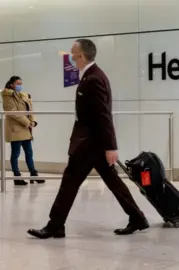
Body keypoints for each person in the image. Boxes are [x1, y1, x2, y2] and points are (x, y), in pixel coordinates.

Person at [27, 39, 148, 239]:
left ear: (81, 55)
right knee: (112, 181)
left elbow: (103, 115)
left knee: (70, 181)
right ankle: (137, 217)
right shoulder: (90, 76)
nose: (71, 56)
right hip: (92, 143)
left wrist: (111, 147)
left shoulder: (93, 78)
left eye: (73, 53)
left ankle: (55, 225)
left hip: (89, 144)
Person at [2, 76, 44, 186]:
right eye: (17, 83)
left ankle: (33, 174)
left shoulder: (24, 95)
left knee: (29, 153)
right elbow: (12, 112)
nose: (20, 86)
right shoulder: (7, 96)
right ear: (11, 84)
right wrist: (27, 122)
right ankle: (17, 176)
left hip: (26, 128)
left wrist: (33, 121)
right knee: (15, 153)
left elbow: (30, 110)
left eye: (21, 83)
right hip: (15, 128)